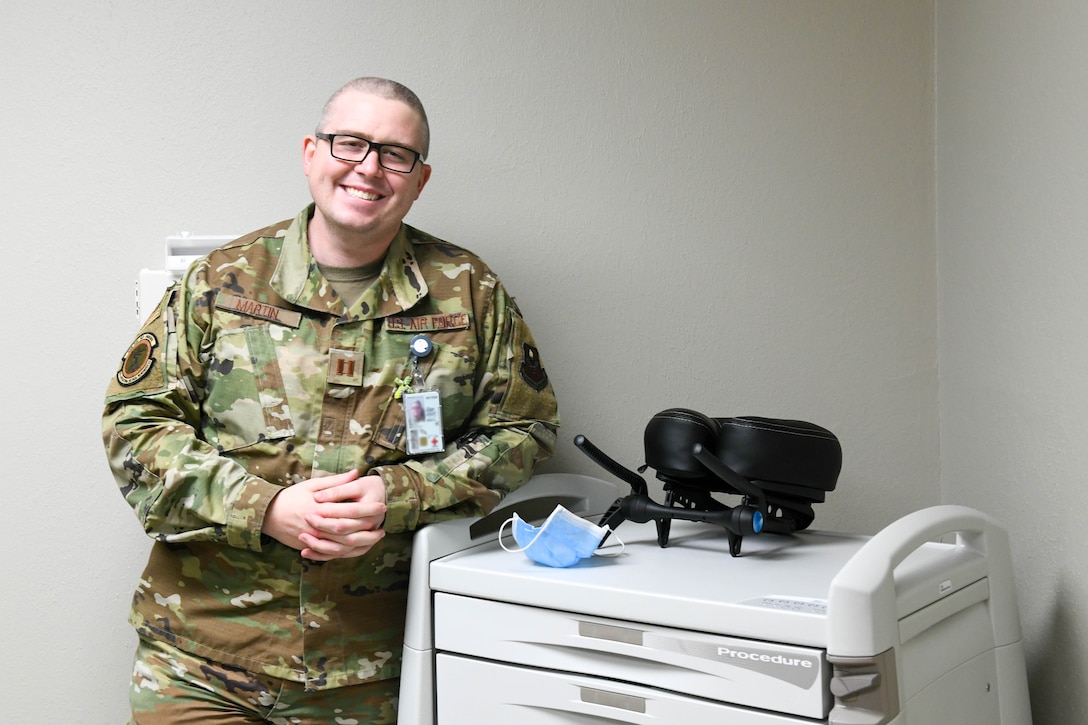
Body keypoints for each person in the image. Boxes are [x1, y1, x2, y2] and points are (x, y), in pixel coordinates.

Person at [103, 77, 560, 723]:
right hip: (205, 658)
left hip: (377, 669)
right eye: (350, 143)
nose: (368, 167)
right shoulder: (220, 282)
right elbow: (136, 424)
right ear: (312, 152)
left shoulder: (468, 291)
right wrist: (264, 507)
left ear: (420, 178)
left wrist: (400, 495)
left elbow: (524, 429)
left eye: (394, 153)